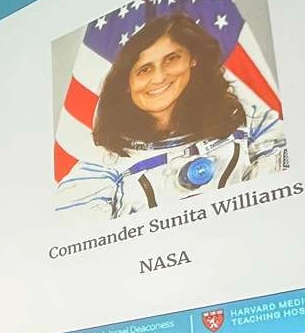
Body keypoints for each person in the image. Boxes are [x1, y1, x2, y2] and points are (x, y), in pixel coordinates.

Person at [56, 13, 287, 219]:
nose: (159, 78)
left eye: (171, 59)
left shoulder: (250, 123)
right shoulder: (103, 167)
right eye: (144, 70)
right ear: (127, 84)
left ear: (192, 59)